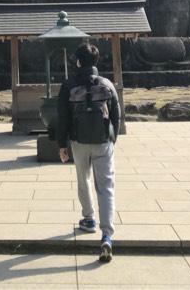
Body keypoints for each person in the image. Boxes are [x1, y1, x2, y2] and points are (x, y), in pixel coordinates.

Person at [57, 41, 120, 263]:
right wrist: (113, 138)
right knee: (106, 186)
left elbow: (62, 116)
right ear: (96, 62)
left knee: (83, 179)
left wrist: (61, 145)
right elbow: (116, 115)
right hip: (103, 141)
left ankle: (89, 219)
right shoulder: (107, 84)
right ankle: (107, 235)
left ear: (77, 61)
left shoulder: (68, 85)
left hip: (79, 140)